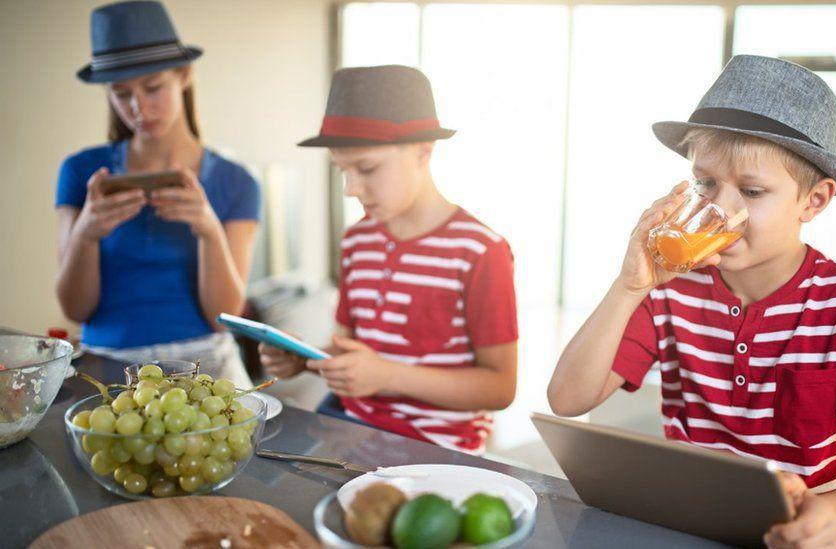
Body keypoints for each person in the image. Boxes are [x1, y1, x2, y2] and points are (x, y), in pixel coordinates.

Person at [547, 55, 836, 547]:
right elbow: (568, 399)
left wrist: (827, 519)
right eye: (705, 183)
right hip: (691, 527)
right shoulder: (671, 288)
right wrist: (630, 287)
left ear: (813, 202)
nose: (721, 210)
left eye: (752, 191)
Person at [259, 65, 518, 455]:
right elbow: (348, 350)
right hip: (347, 428)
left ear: (423, 151)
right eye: (342, 170)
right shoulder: (356, 241)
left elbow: (500, 388)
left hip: (437, 447)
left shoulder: (480, 251)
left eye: (367, 169)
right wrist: (305, 361)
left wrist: (386, 376)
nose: (351, 189)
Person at [55, 1, 260, 387]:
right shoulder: (81, 172)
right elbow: (74, 308)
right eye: (121, 93)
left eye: (153, 88)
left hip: (206, 365)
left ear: (184, 75)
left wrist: (209, 230)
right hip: (107, 364)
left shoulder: (236, 181)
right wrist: (86, 234)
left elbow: (225, 314)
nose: (138, 108)